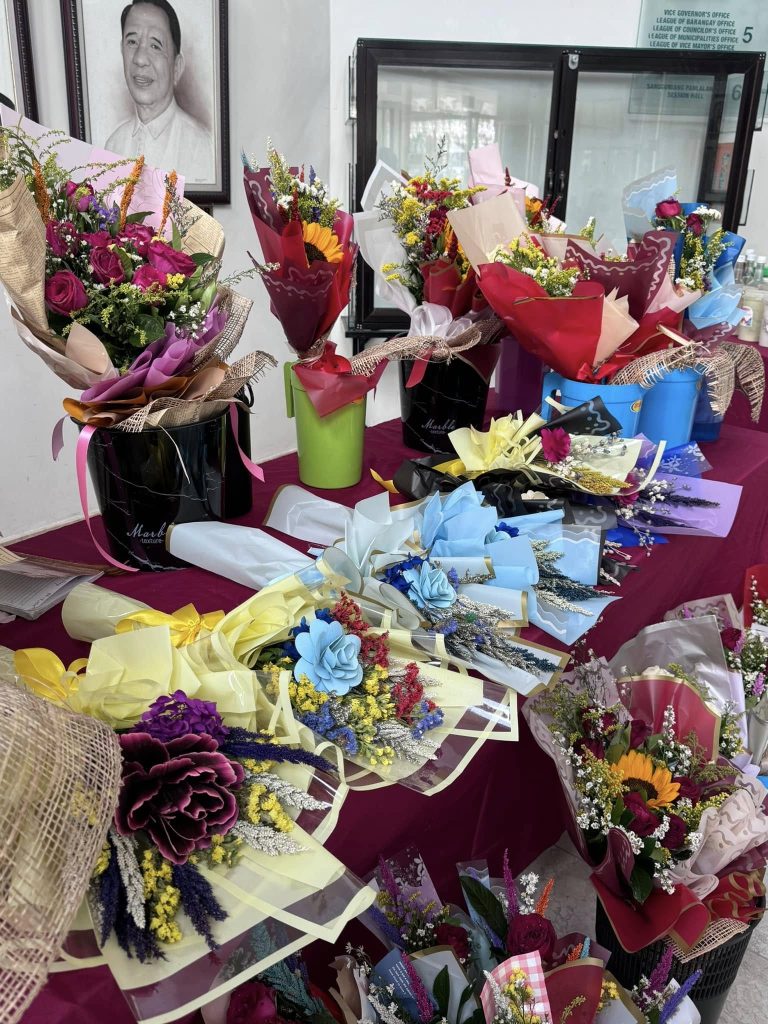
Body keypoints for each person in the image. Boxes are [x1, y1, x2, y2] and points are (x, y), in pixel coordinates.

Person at [105, 0, 214, 185]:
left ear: (177, 67)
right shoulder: (113, 145)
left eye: (155, 46)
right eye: (132, 42)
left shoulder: (202, 148)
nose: (140, 59)